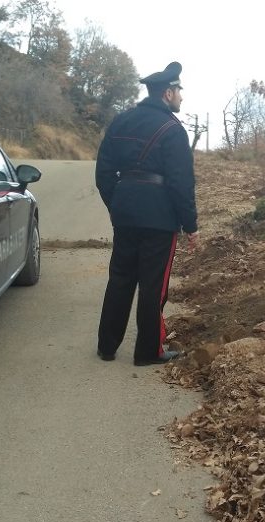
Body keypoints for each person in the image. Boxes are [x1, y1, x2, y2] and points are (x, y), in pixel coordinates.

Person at [94, 61, 199, 366]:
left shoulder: (121, 121)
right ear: (168, 93)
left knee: (120, 279)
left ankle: (107, 346)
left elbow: (103, 173)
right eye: (179, 91)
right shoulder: (173, 130)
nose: (181, 97)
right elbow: (181, 184)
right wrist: (190, 225)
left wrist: (117, 203)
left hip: (125, 213)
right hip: (160, 218)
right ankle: (147, 352)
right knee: (154, 287)